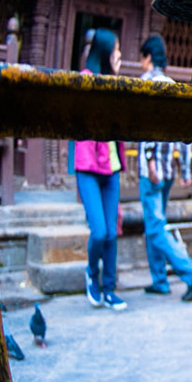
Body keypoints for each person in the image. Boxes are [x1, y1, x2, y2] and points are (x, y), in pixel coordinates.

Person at [136, 36, 192, 302]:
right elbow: (183, 134)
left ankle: (191, 274)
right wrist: (185, 170)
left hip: (151, 169)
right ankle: (159, 280)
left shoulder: (146, 84)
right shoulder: (172, 86)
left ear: (148, 57)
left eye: (142, 58)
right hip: (169, 171)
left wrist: (151, 160)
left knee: (155, 227)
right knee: (155, 223)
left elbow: (147, 125)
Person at [72, 29, 127, 311]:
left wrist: (114, 80)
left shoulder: (115, 83)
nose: (119, 54)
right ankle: (91, 275)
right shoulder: (85, 79)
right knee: (101, 231)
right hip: (89, 167)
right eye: (116, 49)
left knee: (113, 231)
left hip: (112, 168)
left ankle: (110, 289)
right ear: (105, 51)